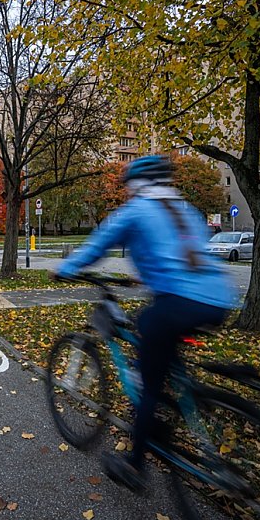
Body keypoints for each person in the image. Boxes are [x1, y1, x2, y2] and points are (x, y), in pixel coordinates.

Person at [55, 155, 237, 491]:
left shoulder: (136, 210)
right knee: (149, 331)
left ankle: (135, 465)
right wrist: (146, 276)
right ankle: (171, 404)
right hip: (218, 299)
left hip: (177, 303)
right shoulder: (185, 210)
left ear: (136, 184)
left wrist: (65, 268)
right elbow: (182, 252)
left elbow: (98, 246)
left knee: (148, 378)